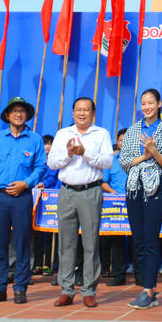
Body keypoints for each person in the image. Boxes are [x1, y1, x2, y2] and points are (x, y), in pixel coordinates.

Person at [48, 96, 113, 309]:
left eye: (86, 110)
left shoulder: (101, 134)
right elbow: (52, 163)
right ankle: (66, 289)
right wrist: (68, 155)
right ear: (73, 113)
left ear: (93, 113)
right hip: (66, 191)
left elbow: (107, 162)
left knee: (90, 242)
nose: (82, 113)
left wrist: (85, 153)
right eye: (78, 110)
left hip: (90, 191)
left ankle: (89, 290)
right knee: (66, 243)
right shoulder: (63, 134)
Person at [0, 98, 47, 304]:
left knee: (22, 243)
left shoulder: (34, 139)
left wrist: (26, 183)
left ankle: (20, 288)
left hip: (22, 197)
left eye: (22, 111)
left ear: (27, 115)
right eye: (14, 111)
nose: (18, 114)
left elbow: (41, 167)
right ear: (7, 115)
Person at [121, 88, 162, 309]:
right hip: (134, 189)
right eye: (143, 103)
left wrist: (155, 152)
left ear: (159, 104)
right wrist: (144, 156)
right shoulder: (133, 130)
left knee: (151, 239)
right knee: (139, 239)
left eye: (151, 103)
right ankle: (146, 288)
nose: (147, 107)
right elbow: (124, 162)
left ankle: (149, 290)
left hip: (155, 190)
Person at [100, 128, 129, 286]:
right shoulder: (111, 160)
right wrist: (112, 191)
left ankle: (141, 276)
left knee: (138, 241)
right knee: (117, 241)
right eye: (121, 140)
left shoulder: (140, 159)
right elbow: (103, 182)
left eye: (126, 139)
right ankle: (119, 275)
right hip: (116, 206)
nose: (123, 142)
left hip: (134, 203)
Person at [34, 135, 58, 276]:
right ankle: (37, 263)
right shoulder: (37, 160)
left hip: (52, 201)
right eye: (45, 144)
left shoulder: (56, 161)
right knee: (37, 234)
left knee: (51, 235)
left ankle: (48, 264)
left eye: (50, 144)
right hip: (38, 200)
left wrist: (44, 184)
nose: (48, 147)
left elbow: (52, 178)